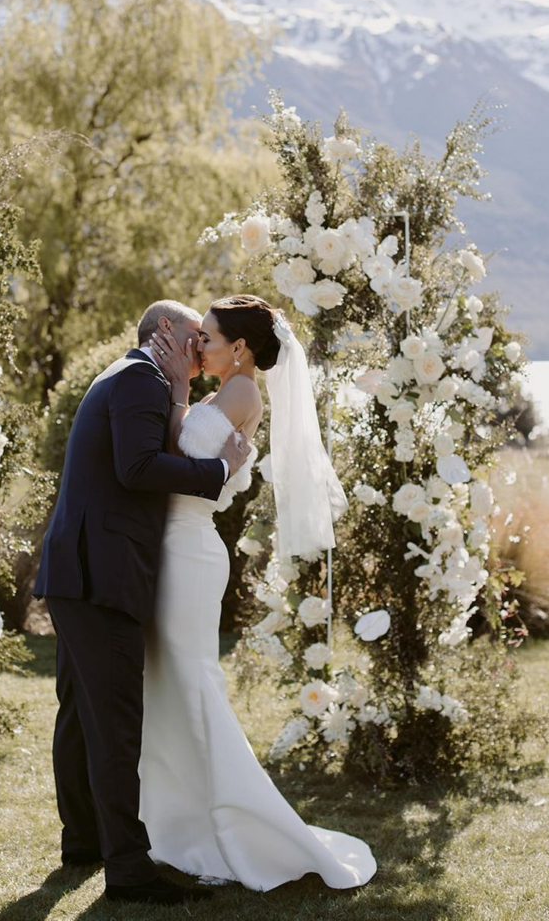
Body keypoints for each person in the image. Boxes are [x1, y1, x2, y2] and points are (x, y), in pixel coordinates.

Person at [140, 294, 377, 891]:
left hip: (188, 549)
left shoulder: (242, 392)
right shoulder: (226, 394)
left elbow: (176, 461)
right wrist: (178, 394)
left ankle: (235, 823)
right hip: (175, 546)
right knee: (171, 686)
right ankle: (178, 825)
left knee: (193, 686)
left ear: (240, 348)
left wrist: (175, 393)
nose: (200, 346)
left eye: (209, 338)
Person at [33, 299, 251, 907]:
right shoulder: (140, 378)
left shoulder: (138, 375)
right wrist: (216, 471)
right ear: (164, 331)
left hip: (80, 570)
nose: (199, 348)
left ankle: (82, 842)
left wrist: (181, 388)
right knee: (116, 721)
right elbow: (135, 468)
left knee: (81, 714)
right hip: (100, 575)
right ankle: (127, 869)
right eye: (192, 336)